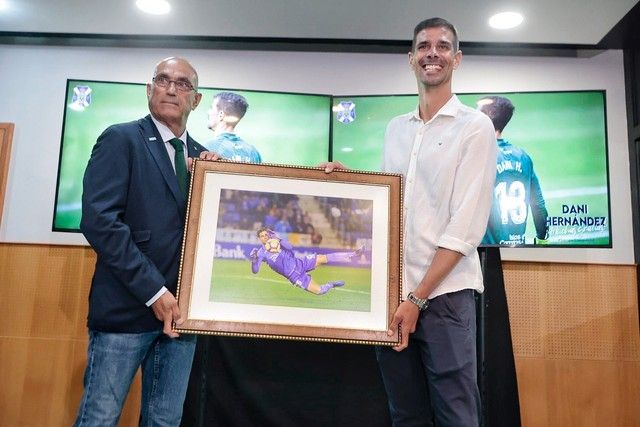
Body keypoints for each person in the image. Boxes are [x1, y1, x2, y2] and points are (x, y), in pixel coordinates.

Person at [322, 17, 496, 426]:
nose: (431, 53)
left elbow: (465, 227)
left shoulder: (475, 127)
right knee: (406, 415)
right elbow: (393, 203)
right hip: (393, 296)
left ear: (457, 58)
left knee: (457, 415)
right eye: (423, 46)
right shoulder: (396, 129)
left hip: (444, 297)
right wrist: (352, 182)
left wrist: (417, 298)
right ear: (410, 58)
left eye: (441, 46)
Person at [74, 57, 219, 426]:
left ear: (197, 100)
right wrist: (155, 291)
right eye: (163, 80)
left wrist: (218, 182)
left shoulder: (205, 160)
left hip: (181, 320)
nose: (171, 88)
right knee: (99, 418)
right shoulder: (121, 138)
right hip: (127, 310)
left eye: (183, 84)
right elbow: (100, 221)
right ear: (149, 89)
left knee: (165, 422)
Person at [477, 95, 549, 246]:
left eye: (477, 112)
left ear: (486, 118)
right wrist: (543, 239)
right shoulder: (523, 157)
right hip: (516, 251)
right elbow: (538, 204)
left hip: (482, 252)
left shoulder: (478, 154)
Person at [249, 227, 363, 295]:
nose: (265, 237)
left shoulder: (276, 241)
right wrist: (254, 260)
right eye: (262, 236)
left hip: (300, 263)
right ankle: (331, 285)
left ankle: (353, 255)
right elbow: (255, 271)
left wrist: (277, 238)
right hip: (294, 276)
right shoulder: (260, 253)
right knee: (319, 291)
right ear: (259, 238)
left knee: (323, 258)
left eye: (266, 234)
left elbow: (289, 247)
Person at [206, 91, 262, 163]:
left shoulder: (207, 149)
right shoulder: (253, 152)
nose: (208, 112)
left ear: (221, 115)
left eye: (211, 108)